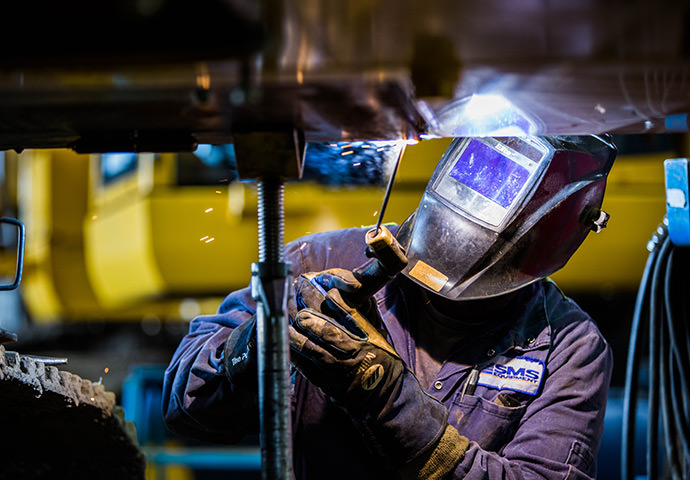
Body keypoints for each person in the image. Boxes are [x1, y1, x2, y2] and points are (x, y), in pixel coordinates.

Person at [163, 135, 616, 479]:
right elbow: (183, 404)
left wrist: (387, 401)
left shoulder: (569, 349)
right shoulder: (319, 261)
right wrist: (262, 340)